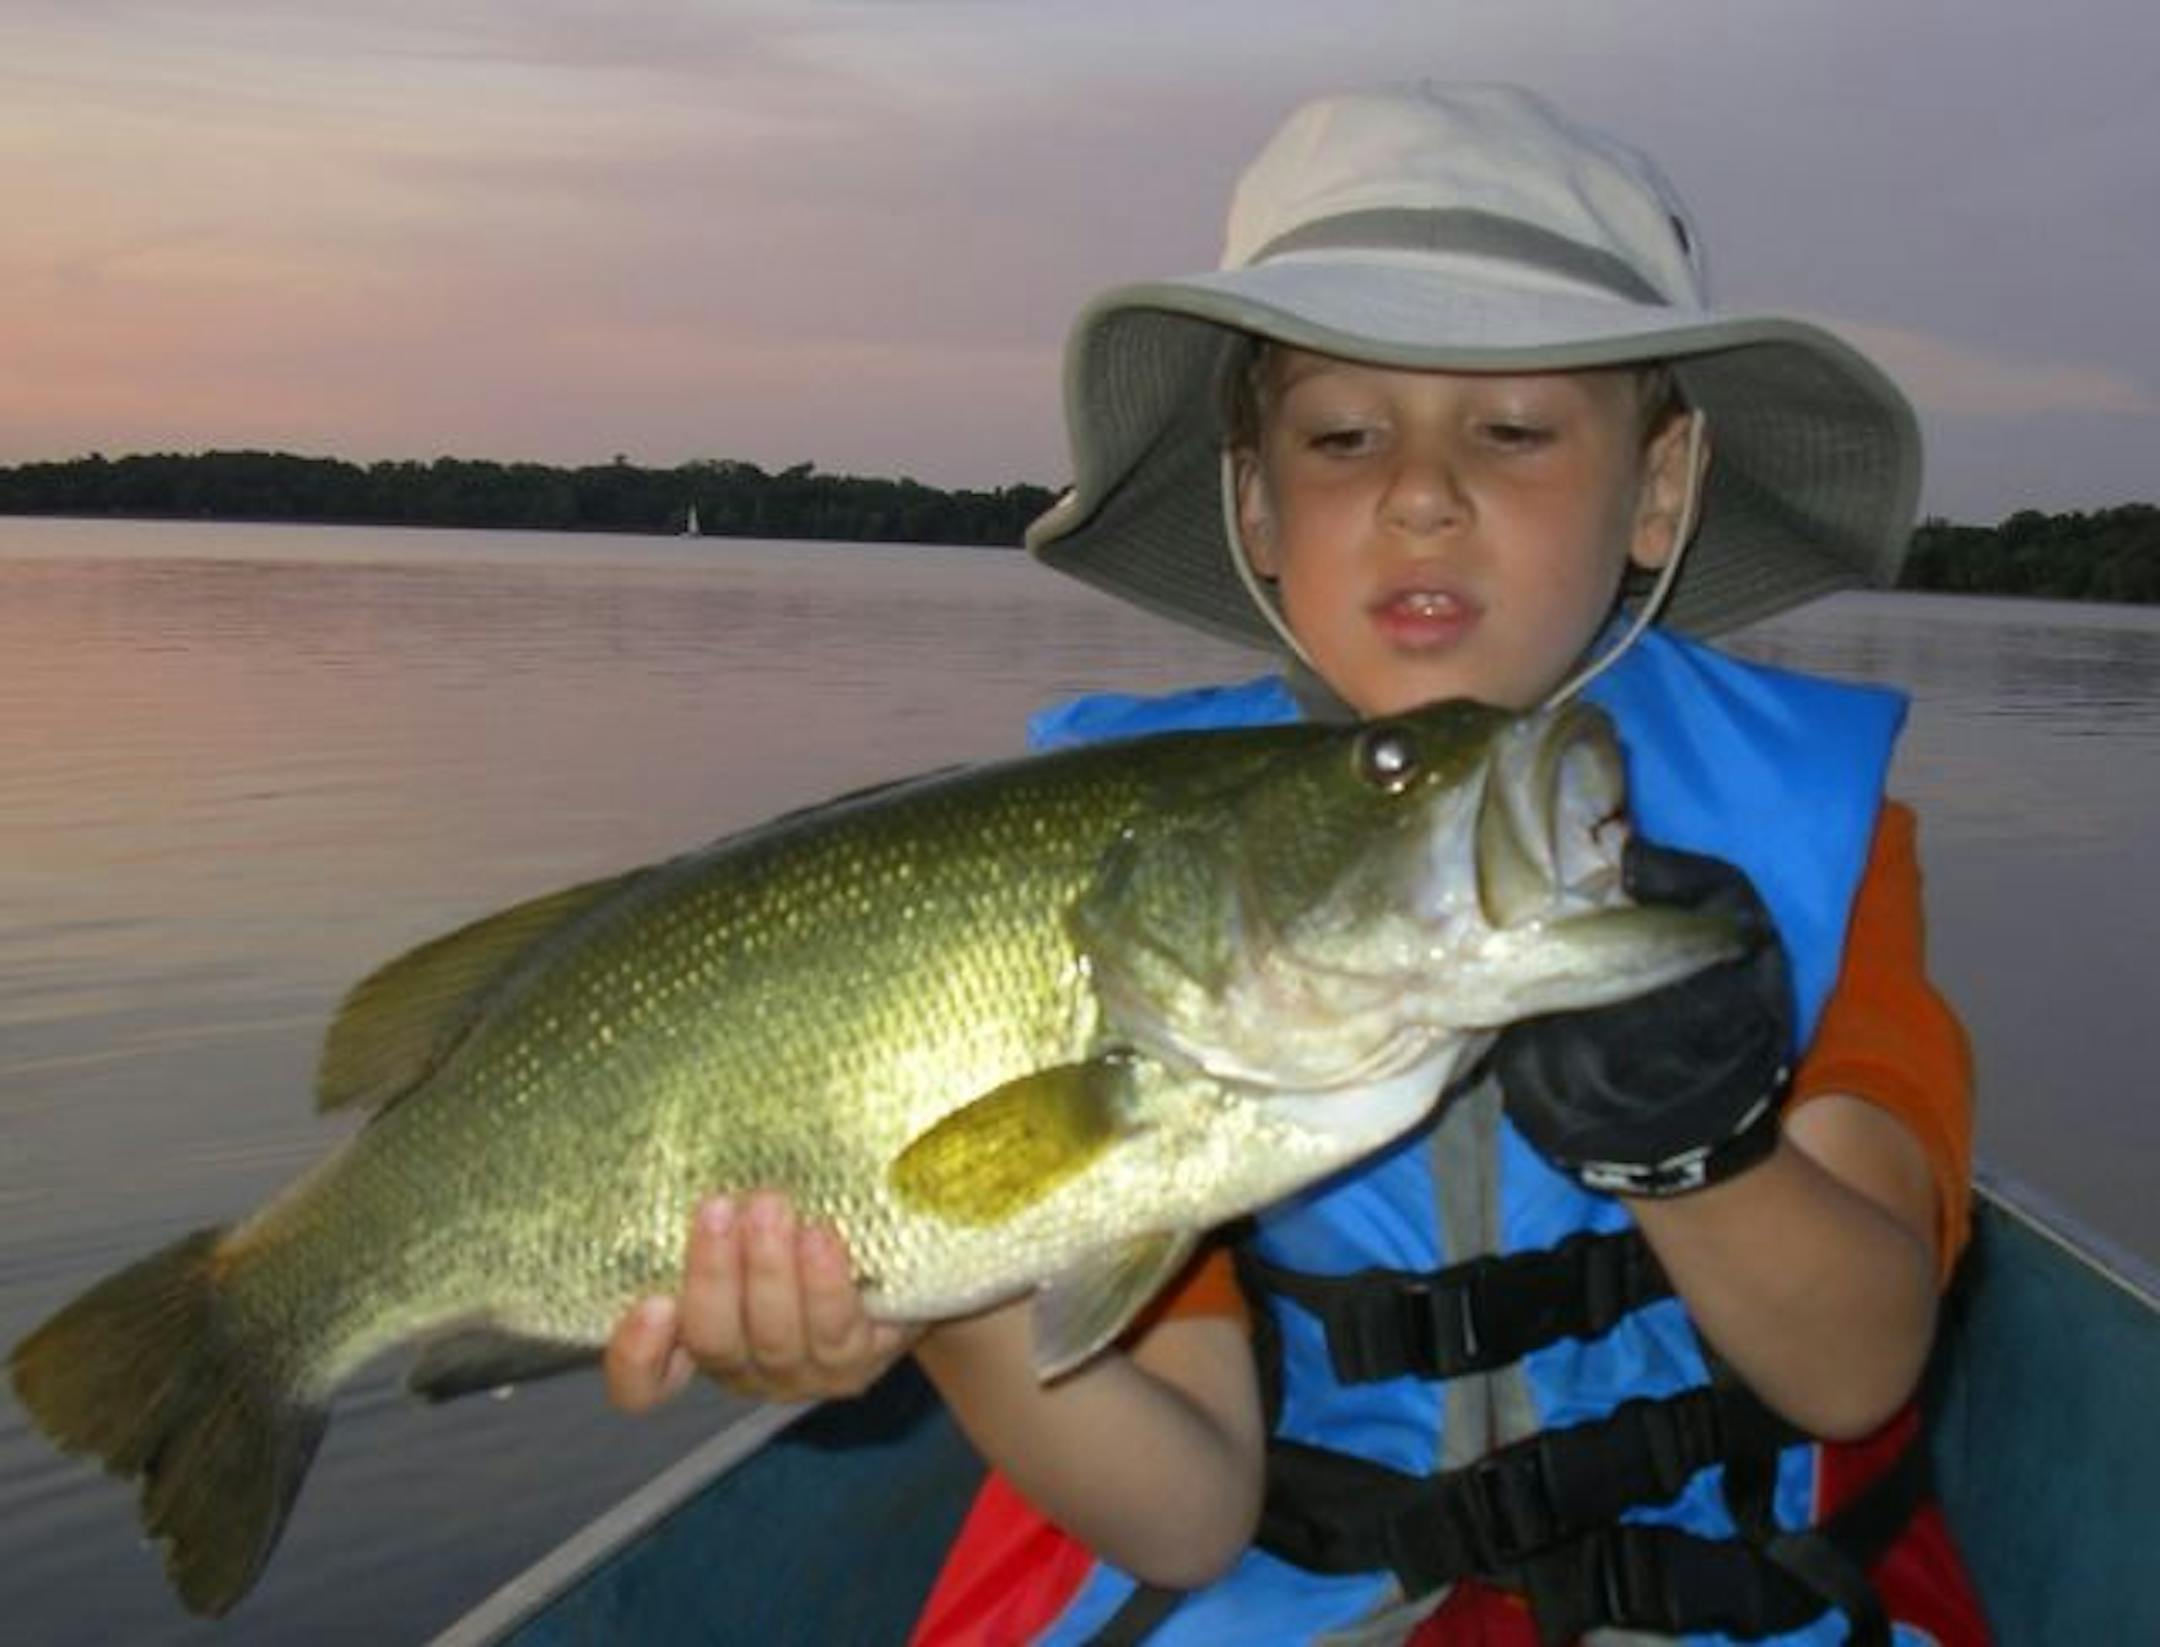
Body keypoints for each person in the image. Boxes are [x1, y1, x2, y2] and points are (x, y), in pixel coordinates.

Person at [606, 85, 1988, 1643]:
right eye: (1342, 435)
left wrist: (1695, 1151)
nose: (1419, 493)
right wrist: (941, 1287)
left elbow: (1858, 1367)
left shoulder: (1822, 837)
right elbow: (1186, 1515)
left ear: (1658, 484)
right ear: (1258, 502)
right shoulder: (1146, 888)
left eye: (1516, 429)